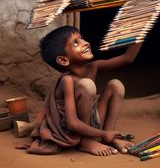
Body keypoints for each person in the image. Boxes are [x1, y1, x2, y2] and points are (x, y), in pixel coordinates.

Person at [26, 25, 143, 156]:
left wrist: (142, 29)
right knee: (87, 85)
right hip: (73, 129)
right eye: (76, 42)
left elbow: (128, 58)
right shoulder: (67, 81)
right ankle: (85, 142)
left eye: (82, 38)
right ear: (64, 60)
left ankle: (109, 137)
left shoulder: (93, 67)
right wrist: (102, 132)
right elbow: (72, 123)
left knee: (116, 85)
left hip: (91, 120)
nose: (85, 43)